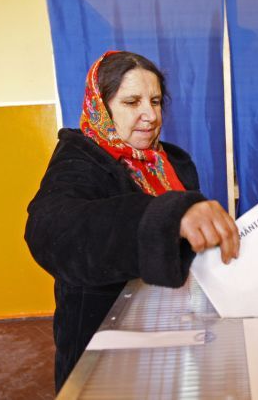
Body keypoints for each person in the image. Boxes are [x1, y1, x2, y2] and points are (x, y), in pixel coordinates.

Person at [25, 51, 239, 391]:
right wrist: (168, 215)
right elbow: (51, 230)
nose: (149, 115)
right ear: (101, 107)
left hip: (173, 330)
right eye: (131, 102)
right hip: (104, 341)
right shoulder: (79, 160)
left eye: (155, 101)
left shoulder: (172, 162)